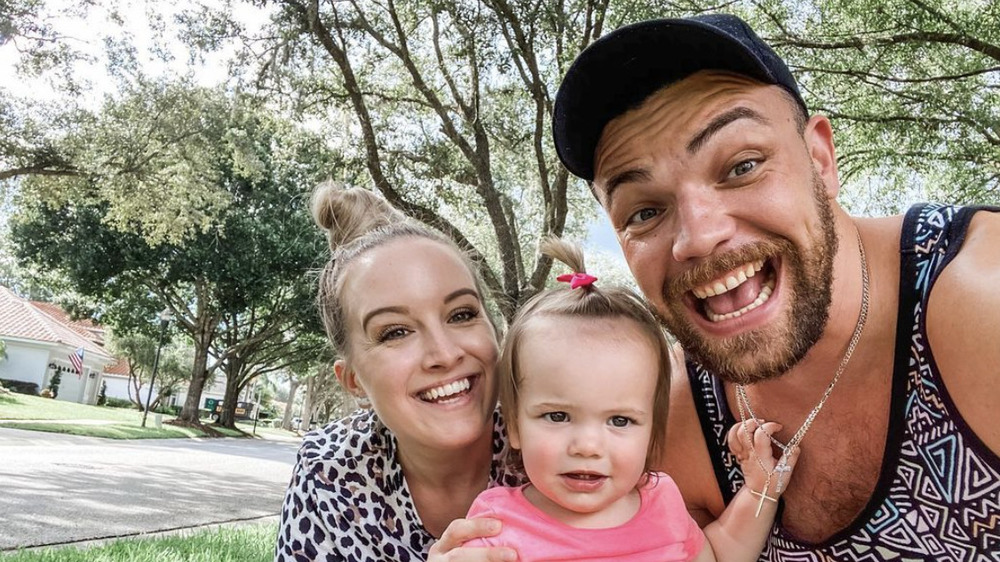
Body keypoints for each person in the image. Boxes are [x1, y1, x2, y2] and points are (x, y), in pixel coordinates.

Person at [544, 12, 1000, 561]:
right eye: (644, 210)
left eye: (741, 166)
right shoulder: (668, 418)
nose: (698, 236)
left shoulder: (978, 300)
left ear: (821, 159)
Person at [461, 237, 798, 561]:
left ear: (651, 432)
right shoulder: (496, 523)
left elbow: (718, 555)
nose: (588, 446)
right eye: (558, 416)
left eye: (620, 421)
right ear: (515, 426)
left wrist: (759, 490)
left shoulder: (660, 501)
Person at [274, 182, 522, 562]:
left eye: (462, 314)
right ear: (352, 379)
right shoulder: (330, 474)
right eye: (395, 332)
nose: (444, 353)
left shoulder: (564, 440)